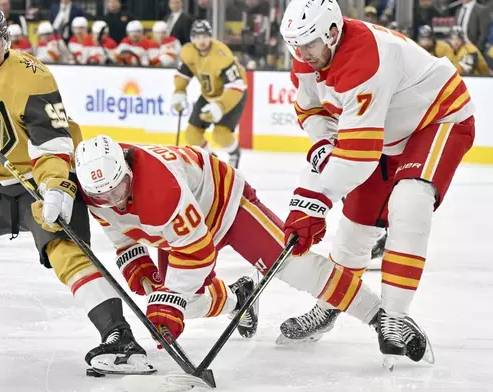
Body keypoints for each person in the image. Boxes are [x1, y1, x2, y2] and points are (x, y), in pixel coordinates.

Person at [0, 0, 153, 376]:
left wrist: (56, 188)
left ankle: (121, 339)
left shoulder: (33, 76)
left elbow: (53, 143)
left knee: (65, 251)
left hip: (41, 182)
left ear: (7, 36)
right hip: (1, 189)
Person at [71, 135, 433, 365]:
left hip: (225, 204)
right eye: (102, 196)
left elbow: (196, 251)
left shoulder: (157, 187)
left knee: (295, 267)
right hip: (179, 232)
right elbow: (118, 228)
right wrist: (137, 263)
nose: (113, 200)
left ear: (126, 168)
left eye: (118, 188)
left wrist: (169, 300)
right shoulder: (96, 192)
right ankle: (237, 299)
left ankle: (383, 317)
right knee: (173, 301)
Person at [277, 0, 474, 361]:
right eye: (295, 46)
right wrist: (322, 145)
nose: (302, 54)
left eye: (308, 44)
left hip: (436, 120)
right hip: (381, 133)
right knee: (354, 227)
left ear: (333, 33)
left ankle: (395, 318)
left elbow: (356, 157)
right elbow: (310, 109)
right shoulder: (308, 52)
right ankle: (329, 305)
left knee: (410, 201)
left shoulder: (365, 57)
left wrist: (311, 203)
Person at [171, 20, 246, 169]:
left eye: (204, 36)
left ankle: (235, 152)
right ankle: (213, 162)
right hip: (208, 95)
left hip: (233, 94)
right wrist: (179, 92)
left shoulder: (221, 53)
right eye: (197, 37)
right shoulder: (188, 52)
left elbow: (235, 86)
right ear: (192, 38)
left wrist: (220, 106)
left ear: (210, 36)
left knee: (220, 135)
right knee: (192, 135)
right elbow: (183, 75)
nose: (201, 41)